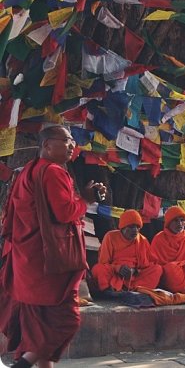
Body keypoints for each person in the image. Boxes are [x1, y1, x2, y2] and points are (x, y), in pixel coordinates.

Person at [0, 125, 106, 368]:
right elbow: (65, 212)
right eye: (66, 141)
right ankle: (23, 364)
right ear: (47, 145)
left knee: (38, 326)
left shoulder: (27, 171)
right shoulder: (53, 172)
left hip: (27, 259)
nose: (72, 146)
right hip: (50, 262)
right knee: (66, 320)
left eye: (72, 141)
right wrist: (86, 199)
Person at [91, 210, 163, 292]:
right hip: (115, 274)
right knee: (98, 269)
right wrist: (118, 268)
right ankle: (111, 289)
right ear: (123, 227)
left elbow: (150, 263)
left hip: (134, 277)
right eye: (131, 227)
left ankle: (132, 289)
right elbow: (103, 262)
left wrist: (135, 271)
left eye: (137, 227)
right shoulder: (110, 237)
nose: (135, 230)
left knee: (157, 269)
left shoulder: (142, 240)